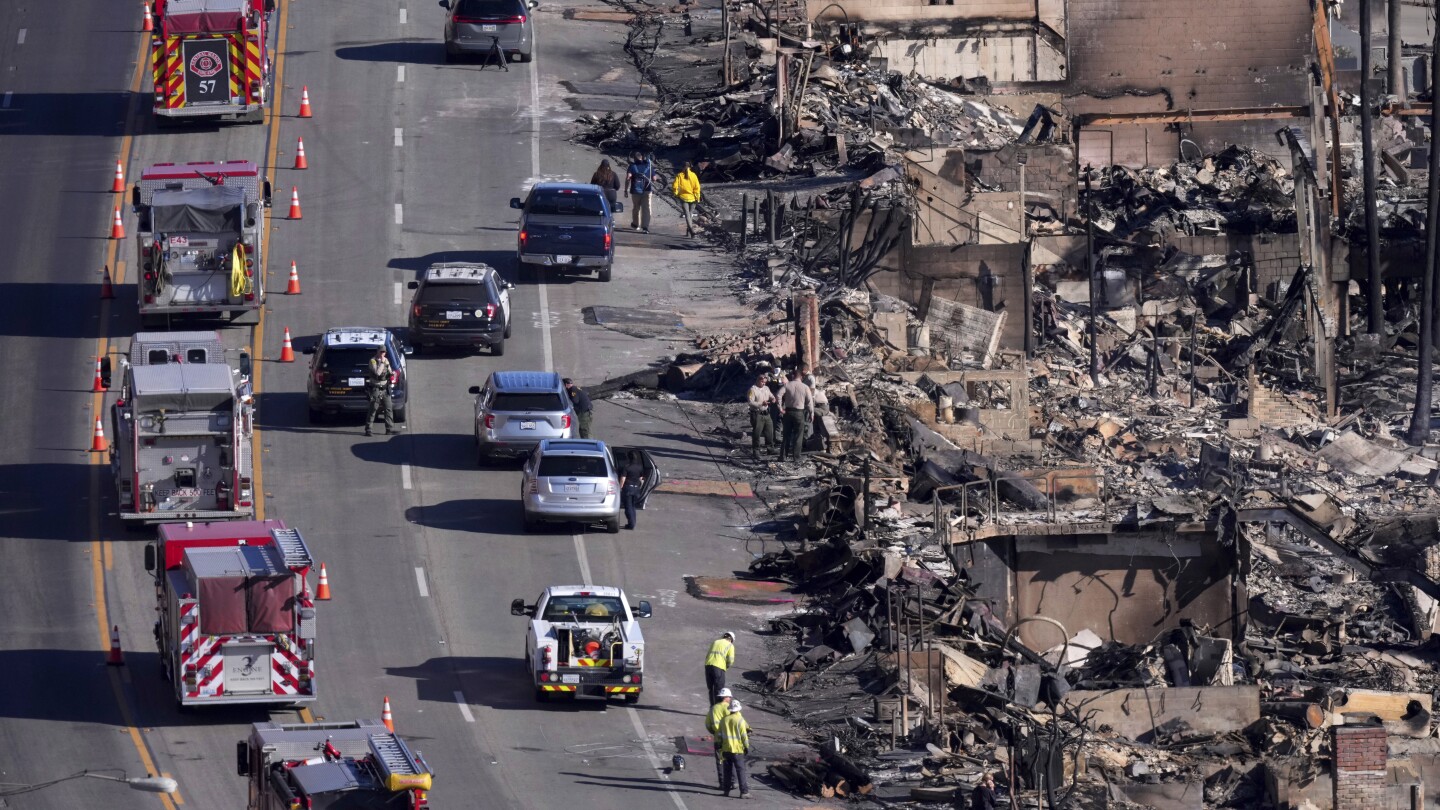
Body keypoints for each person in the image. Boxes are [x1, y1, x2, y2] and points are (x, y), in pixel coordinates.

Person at [717, 700, 751, 799]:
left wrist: (719, 746)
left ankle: (726, 791)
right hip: (737, 751)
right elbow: (744, 736)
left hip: (726, 750)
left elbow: (719, 735)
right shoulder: (740, 720)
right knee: (740, 771)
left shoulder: (724, 720)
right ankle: (744, 792)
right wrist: (746, 746)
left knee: (727, 772)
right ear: (738, 710)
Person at [777, 370, 813, 462]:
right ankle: (796, 457)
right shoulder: (805, 387)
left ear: (793, 376)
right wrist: (811, 413)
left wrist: (780, 408)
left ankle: (783, 456)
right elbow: (809, 402)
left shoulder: (787, 385)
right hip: (799, 413)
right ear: (801, 377)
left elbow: (778, 395)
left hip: (788, 412)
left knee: (786, 435)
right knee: (798, 436)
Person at [704, 688, 734, 789]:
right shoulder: (731, 708)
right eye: (729, 697)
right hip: (731, 740)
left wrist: (714, 732)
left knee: (720, 761)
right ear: (726, 697)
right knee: (732, 759)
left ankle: (722, 783)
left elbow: (708, 723)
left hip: (719, 739)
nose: (730, 699)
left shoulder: (714, 708)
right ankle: (733, 782)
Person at [364, 347, 395, 437]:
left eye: (384, 352)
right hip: (376, 388)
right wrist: (382, 363)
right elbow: (377, 373)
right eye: (381, 351)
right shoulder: (373, 361)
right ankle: (368, 429)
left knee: (388, 408)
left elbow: (389, 371)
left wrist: (392, 373)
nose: (382, 353)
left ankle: (389, 428)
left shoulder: (386, 360)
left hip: (385, 388)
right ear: (377, 351)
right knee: (373, 409)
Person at [746, 373, 777, 459]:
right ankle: (756, 451)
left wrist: (773, 398)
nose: (764, 384)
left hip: (766, 413)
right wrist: (761, 403)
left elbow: (771, 395)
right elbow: (750, 402)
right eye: (762, 382)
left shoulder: (766, 388)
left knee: (769, 431)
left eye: (765, 382)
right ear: (758, 381)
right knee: (757, 433)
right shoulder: (752, 390)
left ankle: (770, 448)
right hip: (757, 414)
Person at [624, 151, 655, 233]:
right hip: (647, 190)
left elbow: (628, 178)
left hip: (635, 190)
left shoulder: (632, 166)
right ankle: (645, 227)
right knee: (646, 208)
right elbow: (654, 178)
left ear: (634, 158)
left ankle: (635, 224)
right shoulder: (649, 165)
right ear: (642, 157)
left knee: (636, 207)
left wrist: (626, 190)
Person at [671, 160, 701, 237]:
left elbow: (675, 187)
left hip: (683, 197)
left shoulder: (679, 175)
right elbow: (697, 187)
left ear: (682, 167)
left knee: (687, 215)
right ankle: (689, 230)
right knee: (690, 214)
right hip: (693, 198)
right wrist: (697, 197)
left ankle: (691, 230)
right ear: (690, 167)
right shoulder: (694, 175)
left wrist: (676, 194)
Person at [704, 631, 735, 704]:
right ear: (731, 639)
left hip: (708, 665)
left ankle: (712, 708)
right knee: (719, 689)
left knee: (710, 688)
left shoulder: (715, 642)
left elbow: (708, 654)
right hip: (719, 667)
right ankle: (718, 708)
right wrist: (726, 667)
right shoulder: (730, 645)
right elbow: (730, 660)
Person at [618, 449, 645, 530]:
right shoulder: (640, 467)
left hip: (628, 488)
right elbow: (641, 478)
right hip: (636, 489)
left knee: (628, 507)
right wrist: (639, 487)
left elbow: (623, 479)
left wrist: (620, 488)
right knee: (633, 506)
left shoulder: (627, 467)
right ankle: (633, 522)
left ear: (628, 458)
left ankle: (631, 524)